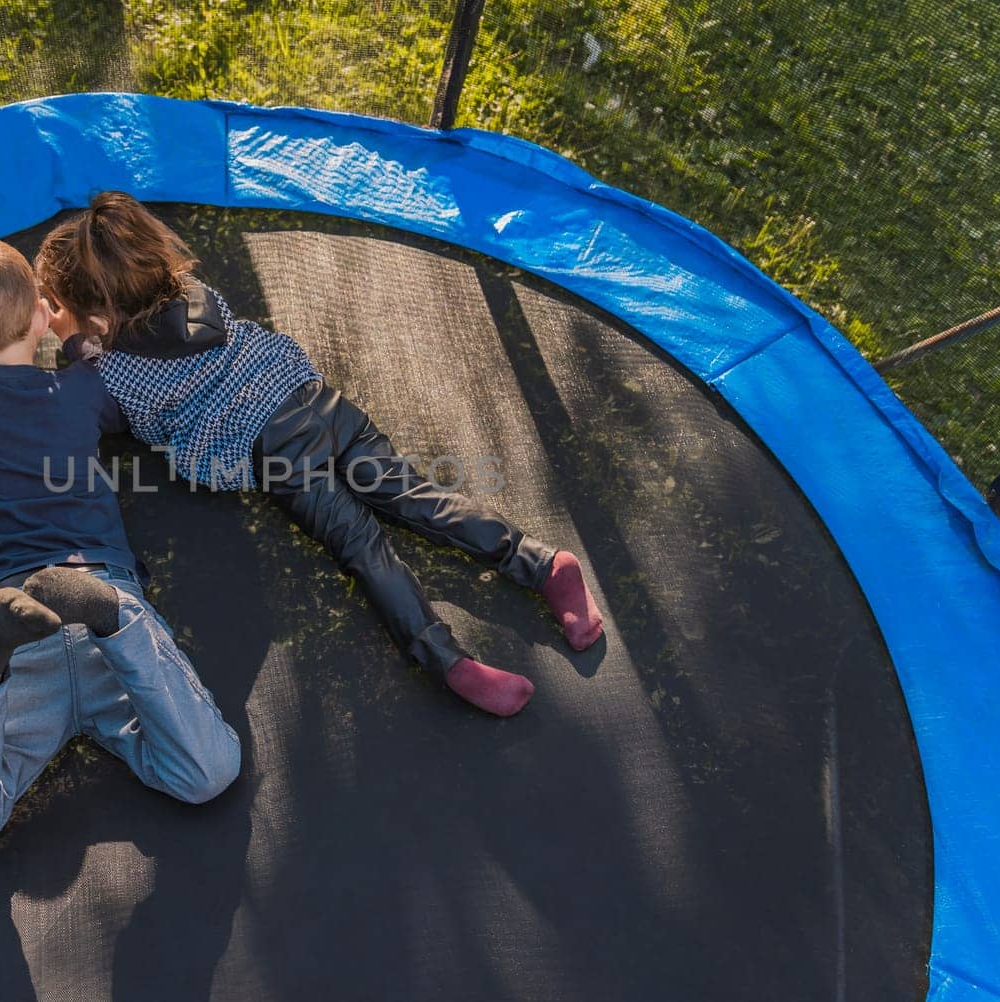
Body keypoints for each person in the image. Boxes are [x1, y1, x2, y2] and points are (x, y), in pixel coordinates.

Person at [35, 193, 605, 718]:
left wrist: (67, 338)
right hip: (320, 402)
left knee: (364, 547)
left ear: (99, 319)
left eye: (58, 305)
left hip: (280, 454)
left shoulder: (109, 372)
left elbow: (79, 407)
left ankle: (447, 661)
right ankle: (541, 563)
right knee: (418, 498)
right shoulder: (195, 297)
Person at [0, 238, 240, 849]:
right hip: (97, 589)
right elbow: (100, 373)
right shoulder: (83, 390)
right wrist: (72, 339)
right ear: (39, 313)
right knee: (207, 774)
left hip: (18, 616)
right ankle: (119, 622)